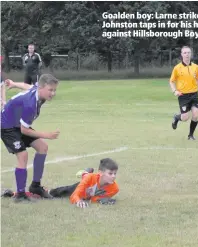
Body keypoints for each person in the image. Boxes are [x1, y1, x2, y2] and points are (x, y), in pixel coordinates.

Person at [1, 74, 60, 202]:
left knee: (42, 147)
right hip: (7, 126)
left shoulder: (37, 90)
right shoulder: (30, 104)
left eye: (54, 90)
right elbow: (24, 130)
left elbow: (27, 86)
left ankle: (35, 186)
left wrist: (14, 84)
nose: (53, 93)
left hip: (17, 124)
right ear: (41, 88)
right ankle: (20, 194)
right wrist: (47, 135)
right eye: (50, 90)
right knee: (22, 155)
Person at [2, 158, 119, 208]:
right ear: (101, 173)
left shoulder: (115, 189)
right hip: (79, 186)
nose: (113, 176)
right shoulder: (91, 179)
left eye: (115, 173)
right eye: (110, 173)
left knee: (86, 177)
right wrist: (78, 201)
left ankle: (85, 172)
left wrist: (98, 200)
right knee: (49, 194)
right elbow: (74, 196)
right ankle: (14, 193)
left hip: (89, 181)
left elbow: (96, 197)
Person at [169, 46, 198, 140]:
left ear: (191, 54)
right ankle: (177, 118)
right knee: (185, 118)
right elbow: (171, 81)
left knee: (195, 115)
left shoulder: (195, 67)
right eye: (185, 53)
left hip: (194, 94)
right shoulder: (177, 68)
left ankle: (190, 135)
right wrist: (174, 91)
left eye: (188, 52)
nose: (187, 54)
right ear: (181, 54)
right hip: (183, 96)